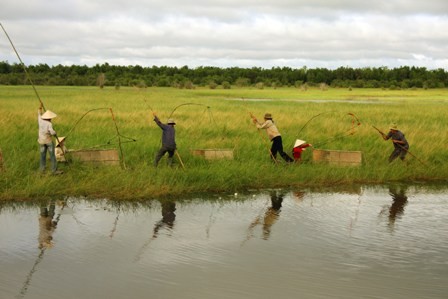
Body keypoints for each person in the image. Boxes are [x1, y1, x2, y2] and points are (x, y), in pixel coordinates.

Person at [38, 104, 63, 174]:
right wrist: (55, 133)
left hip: (41, 141)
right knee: (52, 156)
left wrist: (40, 107)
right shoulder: (49, 124)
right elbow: (52, 132)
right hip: (48, 141)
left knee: (42, 155)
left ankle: (42, 169)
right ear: (49, 118)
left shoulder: (40, 120)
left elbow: (39, 113)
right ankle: (54, 170)